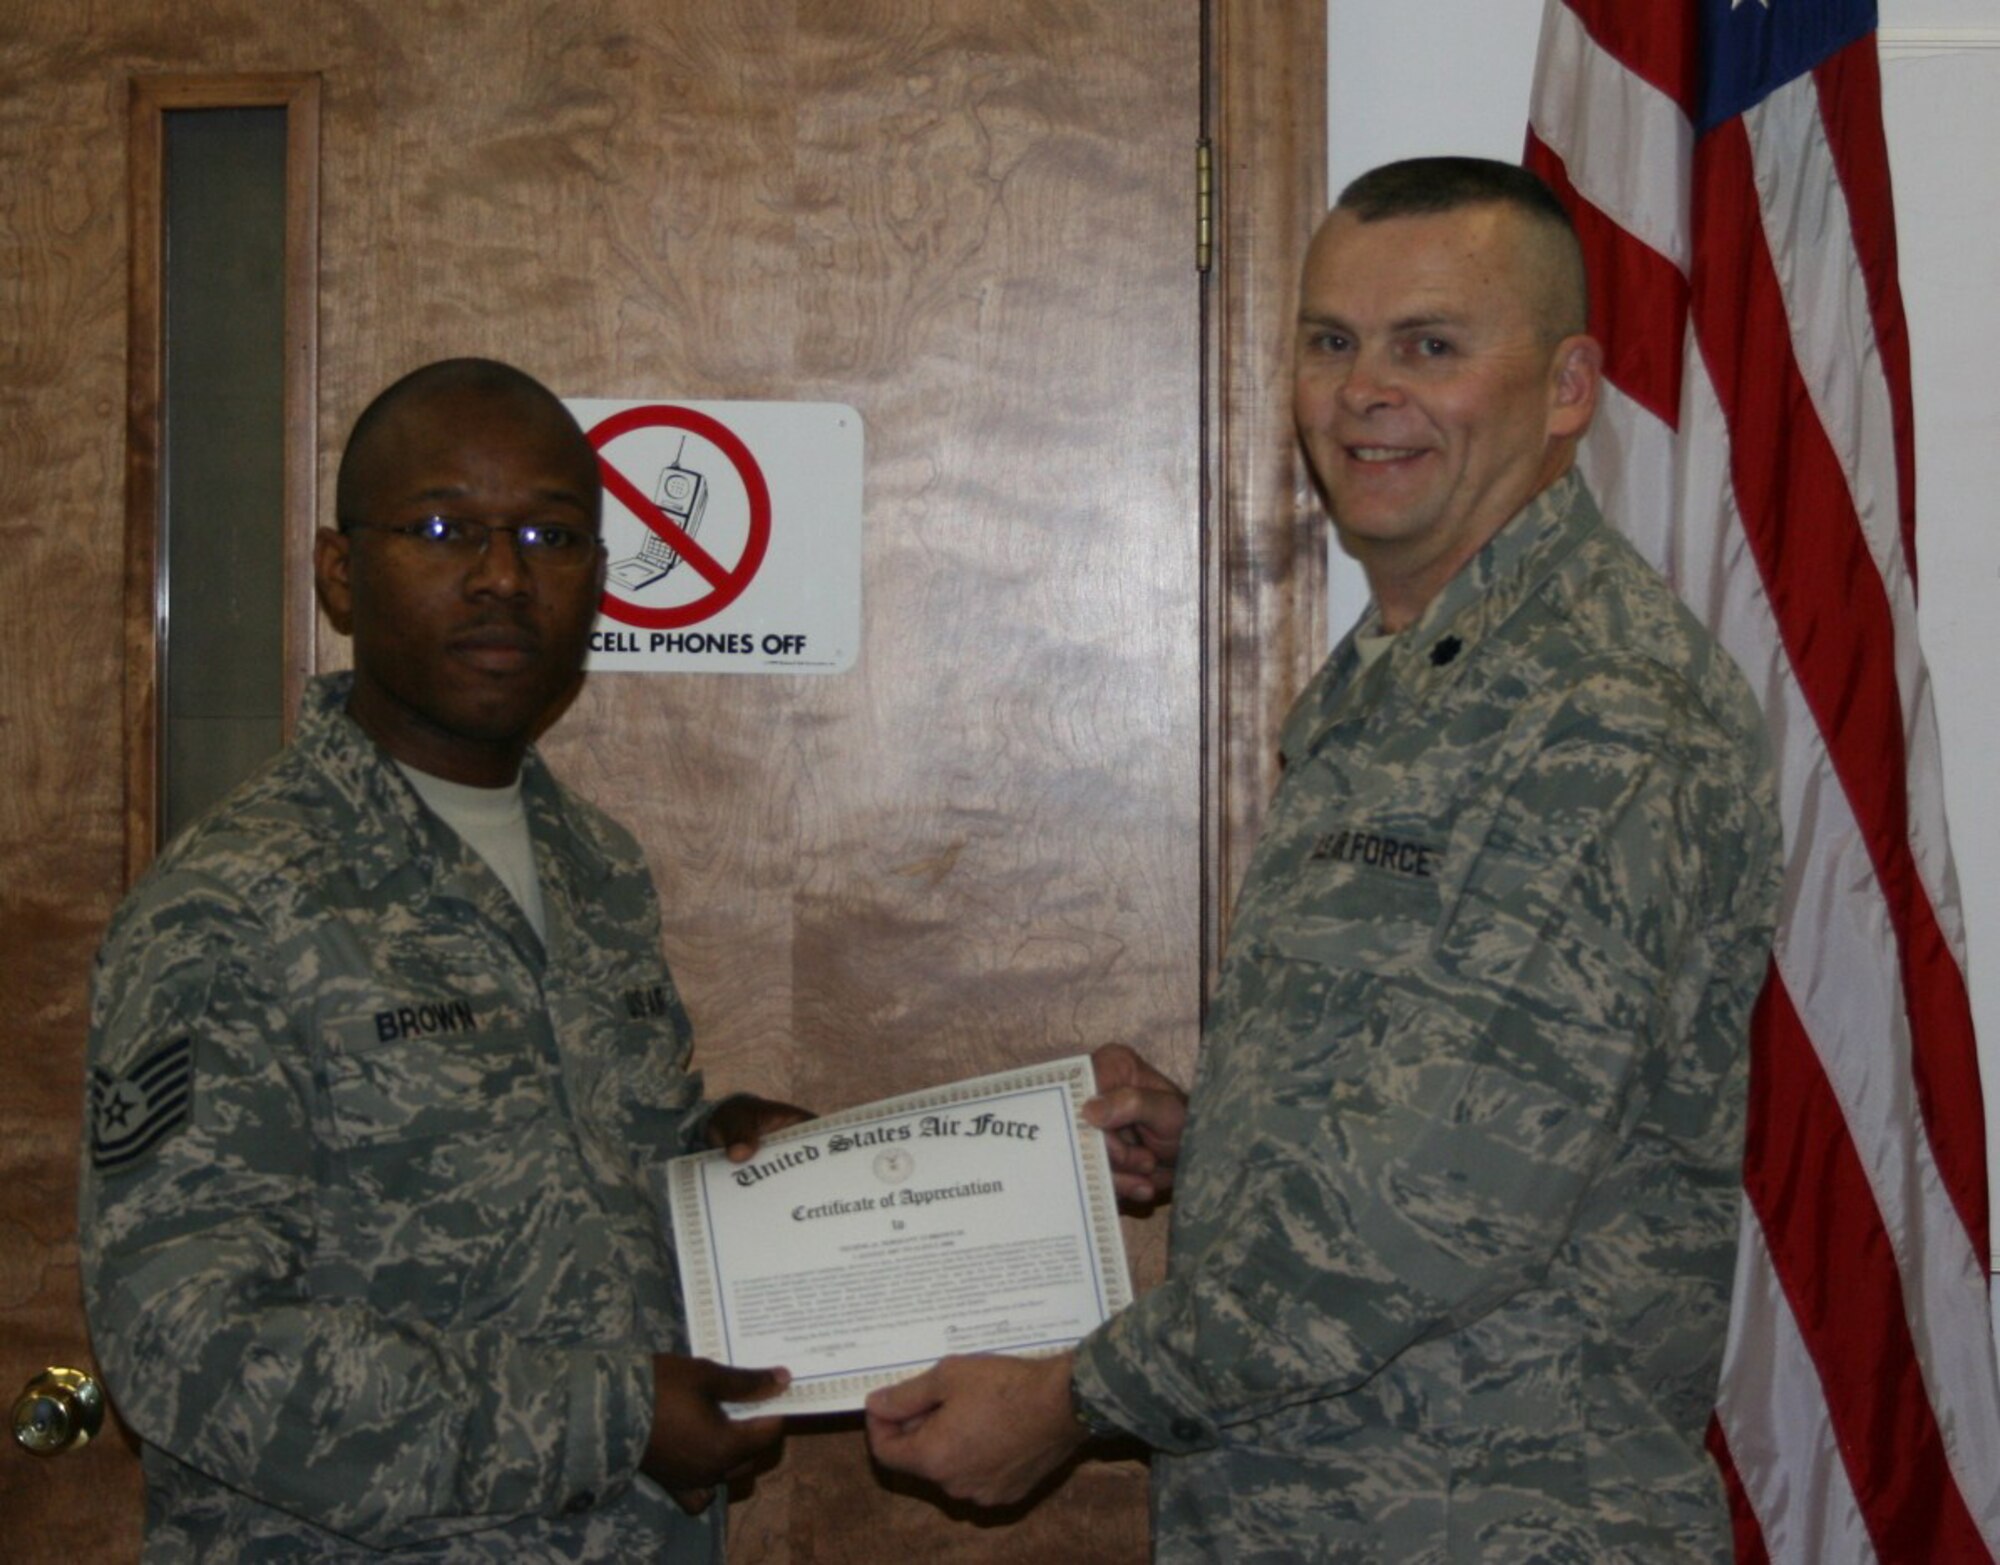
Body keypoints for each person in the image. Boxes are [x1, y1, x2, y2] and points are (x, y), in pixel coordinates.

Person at [866, 157, 1783, 1561]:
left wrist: (1076, 1396)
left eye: (1431, 344)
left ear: (1566, 386)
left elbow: (1433, 1204)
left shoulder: (1596, 707)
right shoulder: (1399, 678)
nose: (1366, 392)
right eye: (1330, 341)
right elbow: (1440, 1083)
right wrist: (1229, 1128)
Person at [80, 358, 802, 1561]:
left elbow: (562, 1187)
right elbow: (186, 1349)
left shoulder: (598, 868)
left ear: (598, 579)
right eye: (439, 528)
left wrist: (725, 1171)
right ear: (339, 573)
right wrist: (612, 1420)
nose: (503, 576)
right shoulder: (229, 903)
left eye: (550, 533)